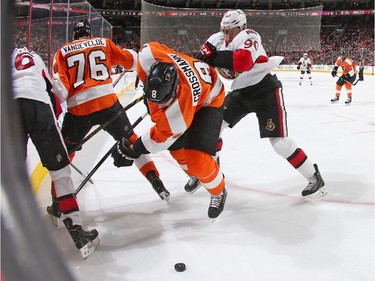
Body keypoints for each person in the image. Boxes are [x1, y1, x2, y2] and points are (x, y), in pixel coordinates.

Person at [193, 9, 326, 201]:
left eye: (231, 30)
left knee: (279, 143)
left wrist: (211, 57)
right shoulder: (217, 39)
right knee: (212, 128)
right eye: (224, 29)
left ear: (242, 27)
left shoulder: (250, 35)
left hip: (265, 90)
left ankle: (314, 177)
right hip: (241, 92)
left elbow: (242, 62)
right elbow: (198, 62)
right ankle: (211, 173)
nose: (227, 34)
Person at [51, 19, 170, 210]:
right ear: (89, 34)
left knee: (64, 153)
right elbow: (131, 61)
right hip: (108, 102)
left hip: (79, 110)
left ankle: (57, 203)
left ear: (74, 35)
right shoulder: (103, 43)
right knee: (131, 141)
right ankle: (157, 182)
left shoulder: (62, 51)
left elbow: (61, 91)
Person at [111, 41, 228, 219]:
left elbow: (159, 139)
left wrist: (134, 149)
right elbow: (150, 47)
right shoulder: (148, 56)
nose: (158, 105)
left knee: (197, 159)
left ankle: (219, 191)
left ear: (175, 91)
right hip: (193, 82)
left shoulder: (178, 114)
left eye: (164, 102)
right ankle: (196, 177)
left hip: (210, 98)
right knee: (176, 149)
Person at [11, 47, 99, 259]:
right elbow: (57, 95)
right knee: (61, 173)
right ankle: (77, 231)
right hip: (39, 107)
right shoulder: (37, 58)